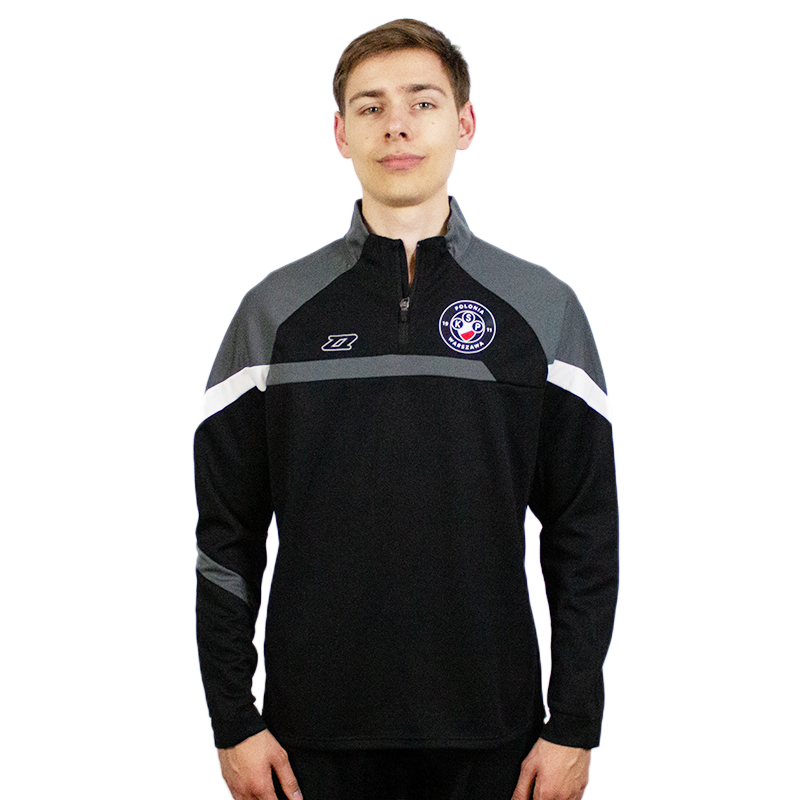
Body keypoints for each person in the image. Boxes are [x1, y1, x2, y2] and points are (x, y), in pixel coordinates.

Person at [194, 18, 618, 800]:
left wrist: (574, 723)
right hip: (308, 743)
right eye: (371, 106)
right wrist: (233, 721)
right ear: (340, 132)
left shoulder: (542, 311)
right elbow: (227, 538)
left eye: (422, 102)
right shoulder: (273, 315)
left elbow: (584, 534)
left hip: (494, 738)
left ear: (465, 122)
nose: (396, 125)